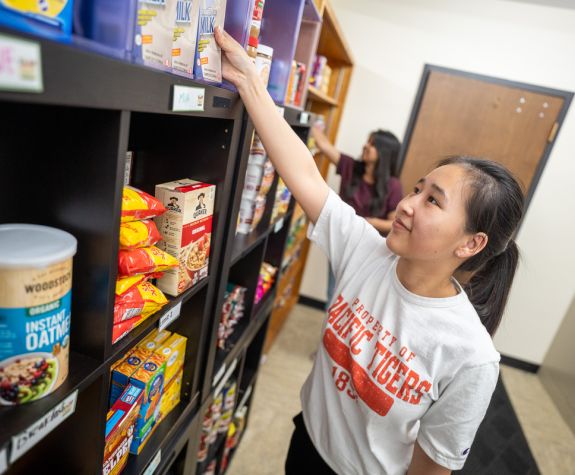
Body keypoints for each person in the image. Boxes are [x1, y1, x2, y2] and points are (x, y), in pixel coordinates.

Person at [215, 27, 524, 475]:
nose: (406, 204)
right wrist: (248, 79)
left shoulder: (470, 357)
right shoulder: (366, 250)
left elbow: (430, 469)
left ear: (471, 243)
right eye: (417, 189)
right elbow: (303, 170)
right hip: (306, 444)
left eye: (433, 200)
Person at [312, 126, 403, 306]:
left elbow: (392, 223)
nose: (365, 146)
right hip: (341, 242)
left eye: (372, 144)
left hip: (371, 252)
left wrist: (368, 222)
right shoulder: (350, 167)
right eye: (367, 142)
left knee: (358, 301)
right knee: (333, 295)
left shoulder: (393, 185)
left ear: (384, 153)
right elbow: (323, 144)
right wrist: (311, 119)